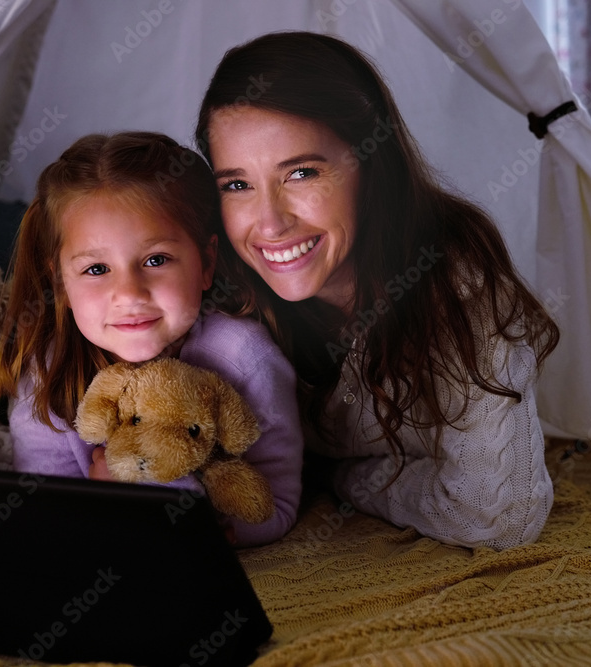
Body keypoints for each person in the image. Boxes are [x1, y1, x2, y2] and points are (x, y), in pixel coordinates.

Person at [194, 32, 560, 550]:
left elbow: (500, 513)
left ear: (371, 162)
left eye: (301, 172)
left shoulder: (455, 283)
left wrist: (342, 479)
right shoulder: (220, 292)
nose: (270, 222)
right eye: (236, 184)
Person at [0, 132, 303, 547]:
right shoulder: (47, 372)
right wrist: (104, 501)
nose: (130, 293)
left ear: (205, 264)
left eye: (156, 260)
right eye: (97, 269)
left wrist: (184, 517)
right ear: (61, 283)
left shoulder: (246, 357)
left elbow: (276, 507)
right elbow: (48, 508)